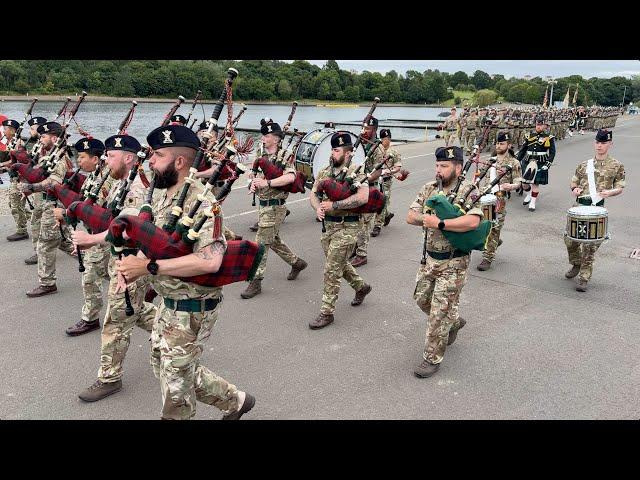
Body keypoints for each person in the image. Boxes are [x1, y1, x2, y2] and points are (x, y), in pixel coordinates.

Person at [116, 124, 255, 420]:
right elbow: (154, 243)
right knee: (165, 367)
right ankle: (235, 401)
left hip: (192, 307)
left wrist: (149, 267)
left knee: (176, 393)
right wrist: (132, 269)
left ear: (179, 162)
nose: (150, 161)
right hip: (167, 304)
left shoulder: (204, 202)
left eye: (158, 155)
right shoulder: (161, 197)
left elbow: (210, 261)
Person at [72, 134, 156, 401]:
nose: (106, 161)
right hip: (118, 259)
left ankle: (109, 378)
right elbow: (112, 221)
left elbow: (131, 231)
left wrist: (91, 239)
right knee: (136, 309)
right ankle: (168, 330)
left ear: (129, 158)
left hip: (132, 262)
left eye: (111, 156)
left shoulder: (138, 188)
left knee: (114, 322)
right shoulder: (120, 183)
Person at [406, 146, 483, 378]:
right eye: (437, 165)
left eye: (444, 166)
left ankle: (432, 358)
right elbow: (411, 216)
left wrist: (440, 223)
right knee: (421, 299)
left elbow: (473, 222)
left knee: (438, 312)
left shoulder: (469, 189)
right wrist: (425, 219)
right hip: (429, 259)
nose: (438, 170)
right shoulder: (429, 188)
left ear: (458, 168)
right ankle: (454, 321)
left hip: (454, 262)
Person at [309, 132, 372, 329]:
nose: (332, 153)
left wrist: (335, 205)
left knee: (331, 269)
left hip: (349, 227)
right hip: (328, 228)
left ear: (347, 153)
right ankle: (361, 287)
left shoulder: (358, 171)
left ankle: (327, 312)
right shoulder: (324, 171)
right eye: (332, 149)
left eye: (336, 150)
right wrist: (317, 207)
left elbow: (363, 198)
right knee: (338, 264)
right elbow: (314, 194)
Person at [241, 118, 307, 299]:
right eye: (263, 135)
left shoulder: (286, 156)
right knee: (273, 240)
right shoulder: (260, 155)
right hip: (262, 206)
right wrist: (252, 185)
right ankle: (296, 262)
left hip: (276, 207)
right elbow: (253, 175)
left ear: (277, 139)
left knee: (261, 244)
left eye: (267, 135)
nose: (263, 138)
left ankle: (256, 281)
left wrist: (267, 182)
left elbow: (291, 178)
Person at [58, 138, 114, 336]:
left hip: (100, 236)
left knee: (90, 278)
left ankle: (90, 319)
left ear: (96, 158)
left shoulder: (105, 181)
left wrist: (66, 215)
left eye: (82, 157)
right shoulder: (92, 177)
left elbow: (102, 213)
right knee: (107, 274)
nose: (78, 161)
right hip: (92, 234)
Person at [564, 129, 625, 292]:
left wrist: (610, 192)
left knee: (590, 246)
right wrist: (575, 189)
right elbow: (574, 181)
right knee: (570, 240)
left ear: (610, 144)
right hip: (579, 207)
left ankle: (584, 278)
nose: (599, 146)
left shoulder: (616, 165)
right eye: (597, 143)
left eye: (603, 143)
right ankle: (576, 263)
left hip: (597, 209)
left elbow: (620, 186)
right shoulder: (584, 165)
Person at [20, 122, 75, 297]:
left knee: (45, 244)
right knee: (64, 242)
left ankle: (47, 283)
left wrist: (32, 187)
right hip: (51, 203)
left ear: (54, 138)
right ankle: (96, 262)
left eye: (43, 136)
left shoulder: (60, 157)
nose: (40, 139)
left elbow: (54, 182)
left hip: (56, 205)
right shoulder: (52, 154)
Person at [476, 132, 523, 271]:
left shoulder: (513, 162)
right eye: (497, 143)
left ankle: (487, 257)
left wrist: (513, 186)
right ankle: (496, 241)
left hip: (499, 199)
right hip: (484, 197)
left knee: (493, 227)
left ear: (509, 145)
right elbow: (481, 177)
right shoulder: (491, 160)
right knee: (482, 225)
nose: (498, 145)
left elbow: (518, 180)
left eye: (502, 143)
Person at [351, 116, 384, 267]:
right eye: (363, 127)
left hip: (370, 188)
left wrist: (363, 179)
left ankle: (362, 255)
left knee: (364, 223)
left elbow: (378, 171)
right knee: (355, 220)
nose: (365, 131)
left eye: (368, 129)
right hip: (357, 187)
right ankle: (355, 248)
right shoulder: (358, 143)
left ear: (375, 130)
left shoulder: (377, 147)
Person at [517, 114, 555, 212]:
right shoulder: (529, 135)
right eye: (537, 124)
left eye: (541, 125)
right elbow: (523, 150)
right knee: (524, 183)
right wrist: (517, 161)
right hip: (528, 160)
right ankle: (529, 194)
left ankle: (533, 202)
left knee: (535, 183)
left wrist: (548, 164)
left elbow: (552, 152)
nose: (538, 126)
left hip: (540, 161)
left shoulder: (549, 137)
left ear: (544, 126)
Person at [1, 118, 30, 241]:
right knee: (14, 203)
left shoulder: (18, 143)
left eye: (5, 129)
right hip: (14, 177)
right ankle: (36, 218)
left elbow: (19, 161)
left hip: (20, 179)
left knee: (15, 204)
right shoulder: (10, 142)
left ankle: (22, 230)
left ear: (12, 131)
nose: (3, 131)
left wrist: (2, 165)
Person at [371, 128, 402, 236]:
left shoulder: (394, 151)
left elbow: (398, 166)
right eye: (383, 139)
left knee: (382, 201)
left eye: (387, 138)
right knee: (375, 201)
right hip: (375, 179)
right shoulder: (376, 149)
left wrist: (388, 171)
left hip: (386, 181)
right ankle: (387, 215)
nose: (385, 141)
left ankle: (377, 225)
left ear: (389, 138)